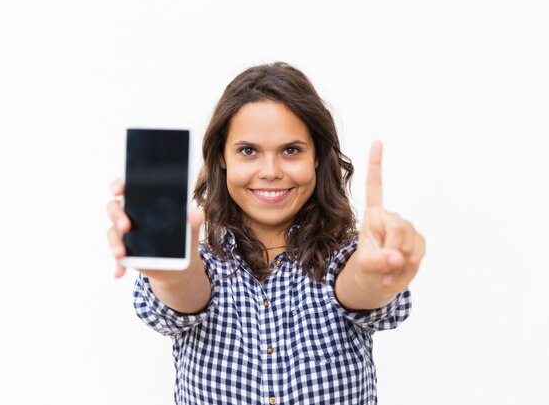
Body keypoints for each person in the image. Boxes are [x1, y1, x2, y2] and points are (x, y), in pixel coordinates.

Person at [107, 62, 425, 404]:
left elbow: (358, 288)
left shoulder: (347, 258)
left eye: (291, 150)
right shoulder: (205, 265)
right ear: (222, 158)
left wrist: (371, 275)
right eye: (248, 151)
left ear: (317, 156)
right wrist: (174, 271)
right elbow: (186, 293)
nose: (270, 171)